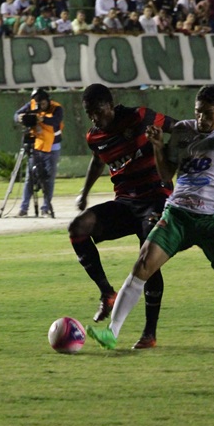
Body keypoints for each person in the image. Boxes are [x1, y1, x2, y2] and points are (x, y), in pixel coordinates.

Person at [87, 86, 214, 350]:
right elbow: (166, 174)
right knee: (143, 265)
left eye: (208, 114)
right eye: (198, 112)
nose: (202, 119)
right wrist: (158, 146)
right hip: (178, 213)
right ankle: (111, 332)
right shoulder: (183, 130)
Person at [70, 83, 180, 349]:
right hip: (126, 203)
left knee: (148, 260)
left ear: (111, 104)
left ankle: (149, 334)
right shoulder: (94, 136)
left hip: (155, 198)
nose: (95, 118)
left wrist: (171, 161)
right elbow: (99, 159)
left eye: (98, 111)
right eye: (90, 113)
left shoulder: (139, 116)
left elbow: (178, 128)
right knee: (78, 228)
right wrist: (84, 193)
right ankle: (107, 293)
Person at [13, 88, 63, 218]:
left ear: (48, 100)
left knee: (49, 178)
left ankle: (45, 208)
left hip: (52, 147)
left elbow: (55, 121)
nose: (41, 105)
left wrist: (40, 118)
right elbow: (16, 115)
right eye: (38, 103)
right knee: (30, 177)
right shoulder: (32, 104)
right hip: (37, 145)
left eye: (43, 103)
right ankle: (23, 208)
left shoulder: (56, 108)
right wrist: (20, 118)